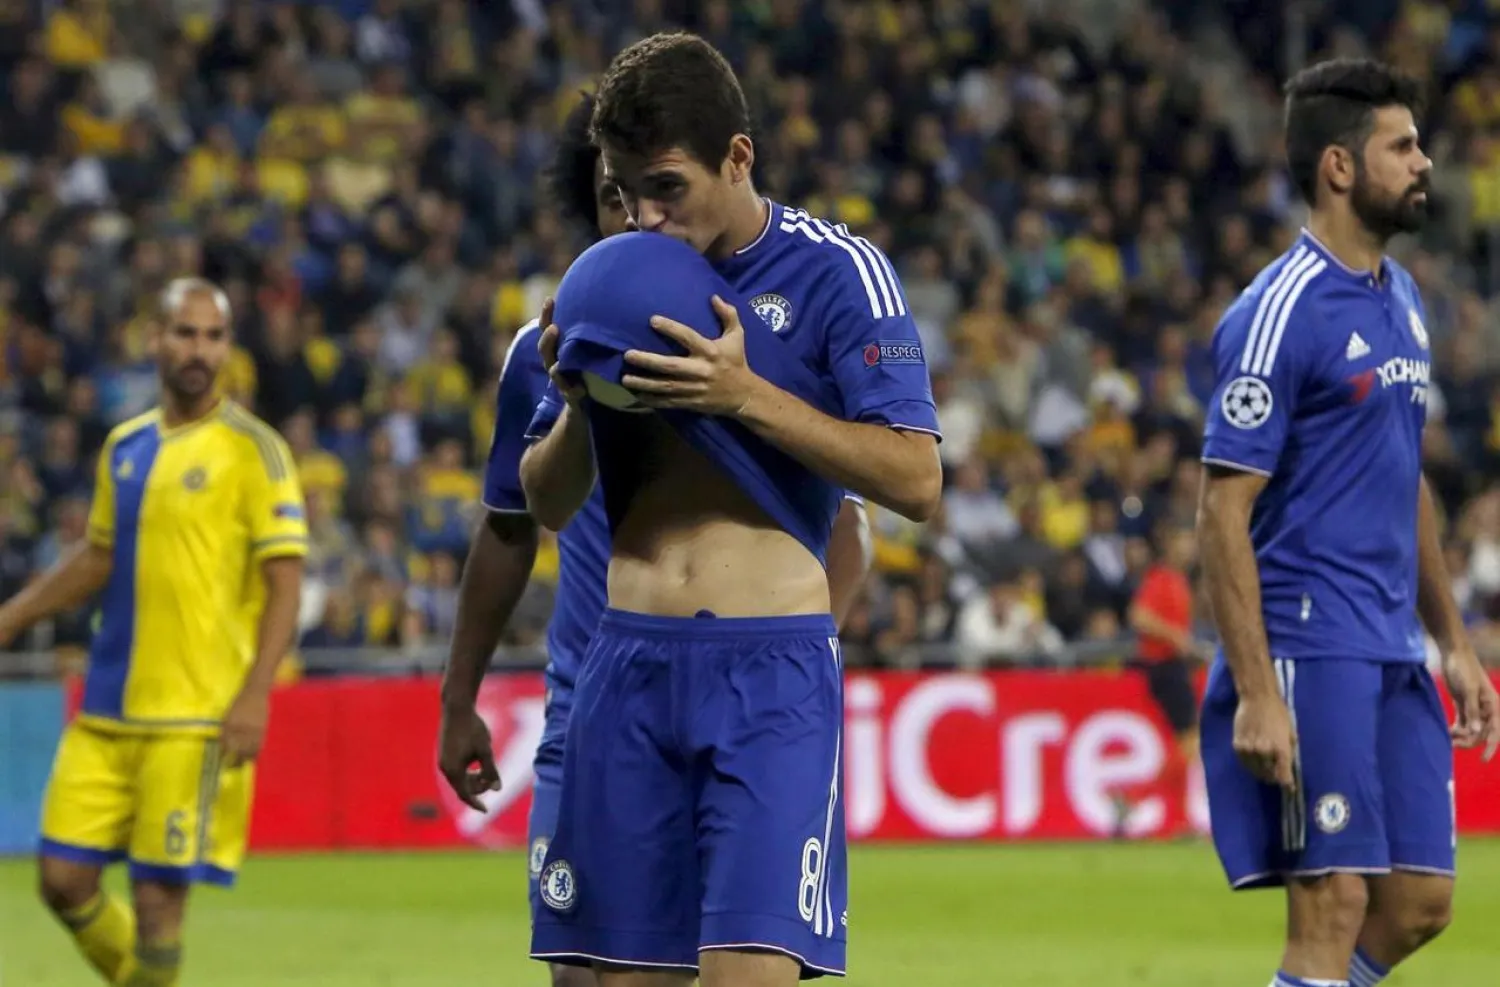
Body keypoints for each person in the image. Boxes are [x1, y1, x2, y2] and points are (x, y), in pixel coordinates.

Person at [520, 31, 941, 987]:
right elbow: (546, 501)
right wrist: (581, 403)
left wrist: (743, 394)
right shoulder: (612, 281)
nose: (646, 217)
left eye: (666, 186)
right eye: (626, 193)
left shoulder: (840, 273)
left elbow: (916, 480)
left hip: (769, 675)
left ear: (739, 157)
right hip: (621, 666)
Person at [434, 93, 878, 987]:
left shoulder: (739, 336)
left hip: (745, 686)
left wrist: (784, 656)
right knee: (582, 978)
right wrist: (458, 694)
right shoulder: (544, 350)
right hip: (593, 702)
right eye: (611, 199)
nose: (637, 220)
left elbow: (853, 530)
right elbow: (514, 526)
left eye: (649, 193)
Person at [1195, 58, 1500, 987]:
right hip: (1309, 638)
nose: (1423, 163)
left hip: (1393, 641)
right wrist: (1255, 688)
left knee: (1418, 902)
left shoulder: (1400, 297)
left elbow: (1404, 477)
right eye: (1400, 147)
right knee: (1331, 904)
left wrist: (1451, 637)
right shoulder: (1277, 314)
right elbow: (1220, 509)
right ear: (1338, 166)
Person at [0, 277, 307, 987]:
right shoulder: (123, 446)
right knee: (61, 878)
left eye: (213, 336)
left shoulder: (256, 452)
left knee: (158, 902)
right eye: (184, 333)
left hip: (194, 714)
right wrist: (13, 616)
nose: (199, 349)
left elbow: (285, 584)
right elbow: (99, 557)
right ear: (155, 340)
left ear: (228, 347)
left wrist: (256, 694)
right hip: (106, 709)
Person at [1127, 522, 1207, 837]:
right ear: (1171, 545)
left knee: (1185, 745)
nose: (1190, 549)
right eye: (1185, 542)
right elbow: (1139, 616)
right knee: (1189, 743)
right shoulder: (1161, 578)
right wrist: (1177, 637)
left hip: (1172, 666)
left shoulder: (1177, 580)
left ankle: (1174, 814)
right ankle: (1138, 799)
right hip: (1164, 666)